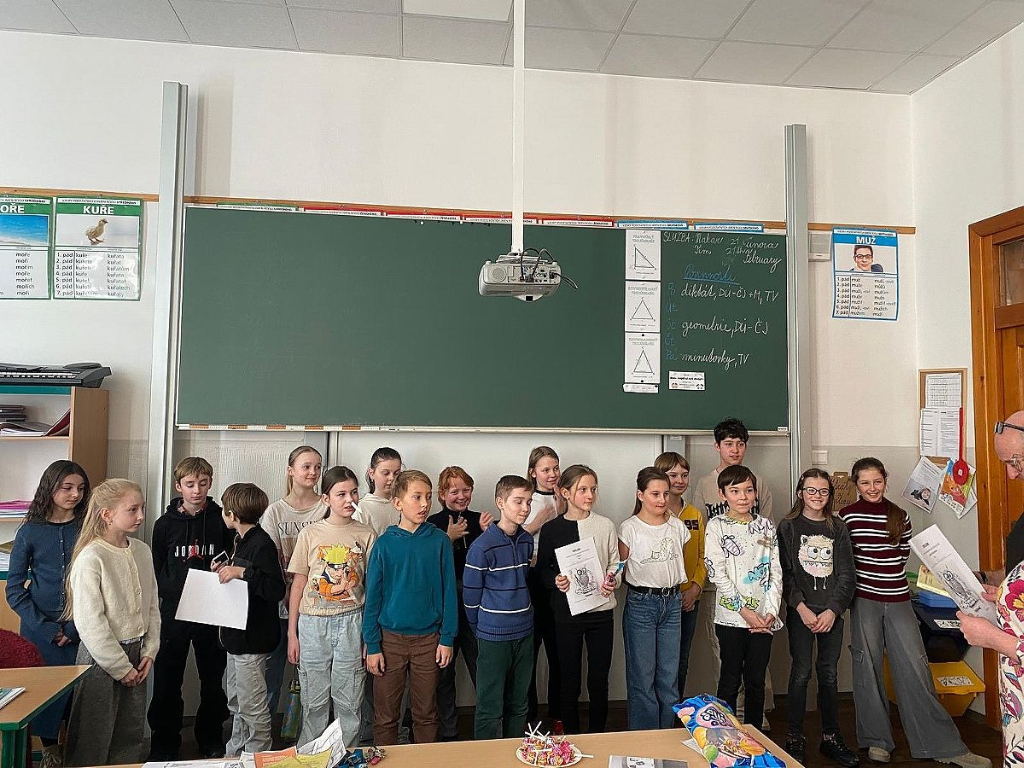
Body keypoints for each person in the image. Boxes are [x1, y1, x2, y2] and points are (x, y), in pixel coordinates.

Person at [840, 458, 988, 767]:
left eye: (877, 481)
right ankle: (877, 741)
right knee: (867, 668)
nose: (872, 488)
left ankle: (942, 745)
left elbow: (901, 558)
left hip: (899, 600)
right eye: (865, 483)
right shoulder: (846, 517)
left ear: (885, 480)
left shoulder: (900, 516)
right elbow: (846, 562)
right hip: (864, 600)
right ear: (856, 485)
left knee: (916, 668)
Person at [64, 479, 160, 768]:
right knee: (93, 736)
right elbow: (90, 623)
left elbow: (152, 605)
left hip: (137, 654)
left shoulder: (142, 551)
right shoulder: (92, 556)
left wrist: (150, 650)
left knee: (129, 733)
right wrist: (120, 667)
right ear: (107, 514)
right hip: (101, 658)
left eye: (142, 508)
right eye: (132, 509)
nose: (140, 516)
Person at [362, 470, 457, 746]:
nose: (424, 504)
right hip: (389, 641)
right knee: (385, 715)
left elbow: (449, 593)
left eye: (428, 497)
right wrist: (373, 645)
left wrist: (447, 638)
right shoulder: (384, 545)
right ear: (398, 503)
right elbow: (373, 598)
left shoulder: (439, 541)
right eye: (416, 497)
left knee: (426, 713)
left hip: (429, 640)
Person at [147, 457, 232, 761]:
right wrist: (171, 591)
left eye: (203, 483)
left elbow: (232, 559)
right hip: (174, 613)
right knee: (168, 678)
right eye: (190, 484)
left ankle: (210, 737)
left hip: (212, 611)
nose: (197, 490)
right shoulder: (164, 525)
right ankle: (164, 742)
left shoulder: (222, 520)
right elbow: (157, 568)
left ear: (211, 483)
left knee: (213, 678)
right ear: (178, 486)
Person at [6, 461, 90, 768]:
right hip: (39, 629)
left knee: (80, 698)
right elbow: (14, 590)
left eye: (80, 488)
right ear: (49, 488)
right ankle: (50, 754)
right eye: (67, 488)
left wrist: (74, 627)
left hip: (83, 624)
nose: (75, 495)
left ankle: (78, 755)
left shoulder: (89, 528)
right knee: (44, 698)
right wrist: (47, 629)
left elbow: (99, 586)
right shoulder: (30, 531)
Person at [692, 417, 774, 726]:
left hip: (758, 590)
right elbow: (702, 533)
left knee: (756, 664)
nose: (735, 449)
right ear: (717, 447)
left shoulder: (760, 483)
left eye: (740, 444)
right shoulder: (704, 485)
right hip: (723, 589)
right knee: (726, 659)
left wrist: (768, 604)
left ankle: (755, 714)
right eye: (729, 444)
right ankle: (730, 717)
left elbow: (768, 544)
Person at [287, 465, 376, 748]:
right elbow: (299, 585)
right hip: (312, 623)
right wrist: (292, 634)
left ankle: (345, 754)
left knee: (349, 699)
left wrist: (369, 637)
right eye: (341, 494)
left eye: (354, 492)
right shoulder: (310, 534)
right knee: (314, 700)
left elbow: (373, 587)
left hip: (352, 621)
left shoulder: (366, 534)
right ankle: (311, 756)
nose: (349, 499)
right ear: (326, 498)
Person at [777, 469, 858, 766]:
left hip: (830, 615)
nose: (817, 496)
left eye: (823, 491)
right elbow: (784, 573)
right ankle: (795, 735)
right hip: (801, 612)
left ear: (829, 495)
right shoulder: (788, 527)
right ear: (801, 493)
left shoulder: (838, 528)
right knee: (801, 673)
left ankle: (831, 736)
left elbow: (847, 575)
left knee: (829, 674)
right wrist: (801, 608)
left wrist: (833, 610)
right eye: (811, 490)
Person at [537, 465, 619, 734]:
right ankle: (570, 736)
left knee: (599, 679)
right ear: (565, 493)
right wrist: (556, 580)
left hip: (601, 613)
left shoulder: (605, 525)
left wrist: (612, 579)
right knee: (569, 678)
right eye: (582, 489)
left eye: (593, 489)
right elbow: (543, 570)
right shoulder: (551, 530)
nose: (590, 495)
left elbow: (615, 564)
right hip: (566, 614)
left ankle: (598, 734)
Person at [704, 465, 781, 731]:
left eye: (748, 490)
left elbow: (775, 572)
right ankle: (726, 736)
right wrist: (744, 612)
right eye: (735, 491)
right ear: (722, 494)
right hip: (731, 618)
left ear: (755, 493)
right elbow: (716, 572)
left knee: (756, 681)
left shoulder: (766, 526)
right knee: (730, 679)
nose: (743, 497)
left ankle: (755, 736)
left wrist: (770, 612)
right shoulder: (716, 526)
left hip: (763, 619)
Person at [217, 482, 287, 757]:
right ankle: (235, 752)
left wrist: (242, 573)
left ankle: (259, 754)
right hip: (235, 638)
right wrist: (226, 569)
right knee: (236, 700)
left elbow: (275, 589)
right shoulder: (240, 541)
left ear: (232, 514)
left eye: (224, 508)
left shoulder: (261, 543)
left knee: (253, 705)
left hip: (252, 639)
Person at [463, 474, 535, 740]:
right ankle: (485, 756)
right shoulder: (482, 547)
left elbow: (522, 579)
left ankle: (514, 751)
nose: (525, 508)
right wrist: (483, 627)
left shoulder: (526, 540)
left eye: (528, 501)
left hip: (524, 632)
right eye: (518, 501)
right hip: (493, 636)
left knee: (519, 703)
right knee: (490, 706)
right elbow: (471, 597)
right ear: (500, 503)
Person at [619, 467, 690, 730]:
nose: (661, 500)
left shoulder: (677, 526)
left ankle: (667, 736)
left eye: (665, 494)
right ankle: (645, 739)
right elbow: (620, 570)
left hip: (672, 602)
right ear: (641, 495)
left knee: (669, 676)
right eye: (655, 494)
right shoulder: (629, 528)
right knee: (642, 677)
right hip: (642, 603)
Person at [426, 466, 493, 741]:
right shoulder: (431, 523)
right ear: (442, 494)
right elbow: (426, 566)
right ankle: (448, 732)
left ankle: (487, 731)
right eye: (455, 491)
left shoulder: (481, 521)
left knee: (483, 669)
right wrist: (448, 538)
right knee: (443, 674)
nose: (462, 496)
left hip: (477, 608)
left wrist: (490, 534)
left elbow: (493, 561)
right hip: (444, 608)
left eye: (466, 490)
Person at [260, 446, 326, 720]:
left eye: (317, 467)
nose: (313, 472)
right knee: (271, 675)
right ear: (291, 470)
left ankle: (309, 735)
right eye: (306, 466)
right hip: (280, 608)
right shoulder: (275, 512)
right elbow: (269, 559)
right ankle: (262, 736)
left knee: (314, 679)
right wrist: (287, 590)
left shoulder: (327, 507)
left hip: (318, 607)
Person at [654, 451, 705, 699]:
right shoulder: (653, 514)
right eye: (673, 475)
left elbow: (703, 556)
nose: (680, 480)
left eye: (684, 475)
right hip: (661, 599)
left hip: (688, 599)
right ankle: (658, 712)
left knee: (681, 659)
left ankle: (677, 712)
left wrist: (695, 588)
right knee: (659, 661)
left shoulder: (695, 514)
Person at [524, 445, 563, 724]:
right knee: (529, 653)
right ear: (533, 472)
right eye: (545, 469)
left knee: (558, 651)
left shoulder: (565, 496)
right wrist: (538, 522)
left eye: (555, 468)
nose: (552, 474)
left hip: (558, 578)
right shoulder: (526, 499)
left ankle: (557, 713)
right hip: (531, 580)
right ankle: (529, 716)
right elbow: (515, 537)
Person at [354, 447, 403, 537]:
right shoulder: (362, 508)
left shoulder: (402, 504)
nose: (392, 478)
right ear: (371, 473)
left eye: (396, 473)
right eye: (385, 473)